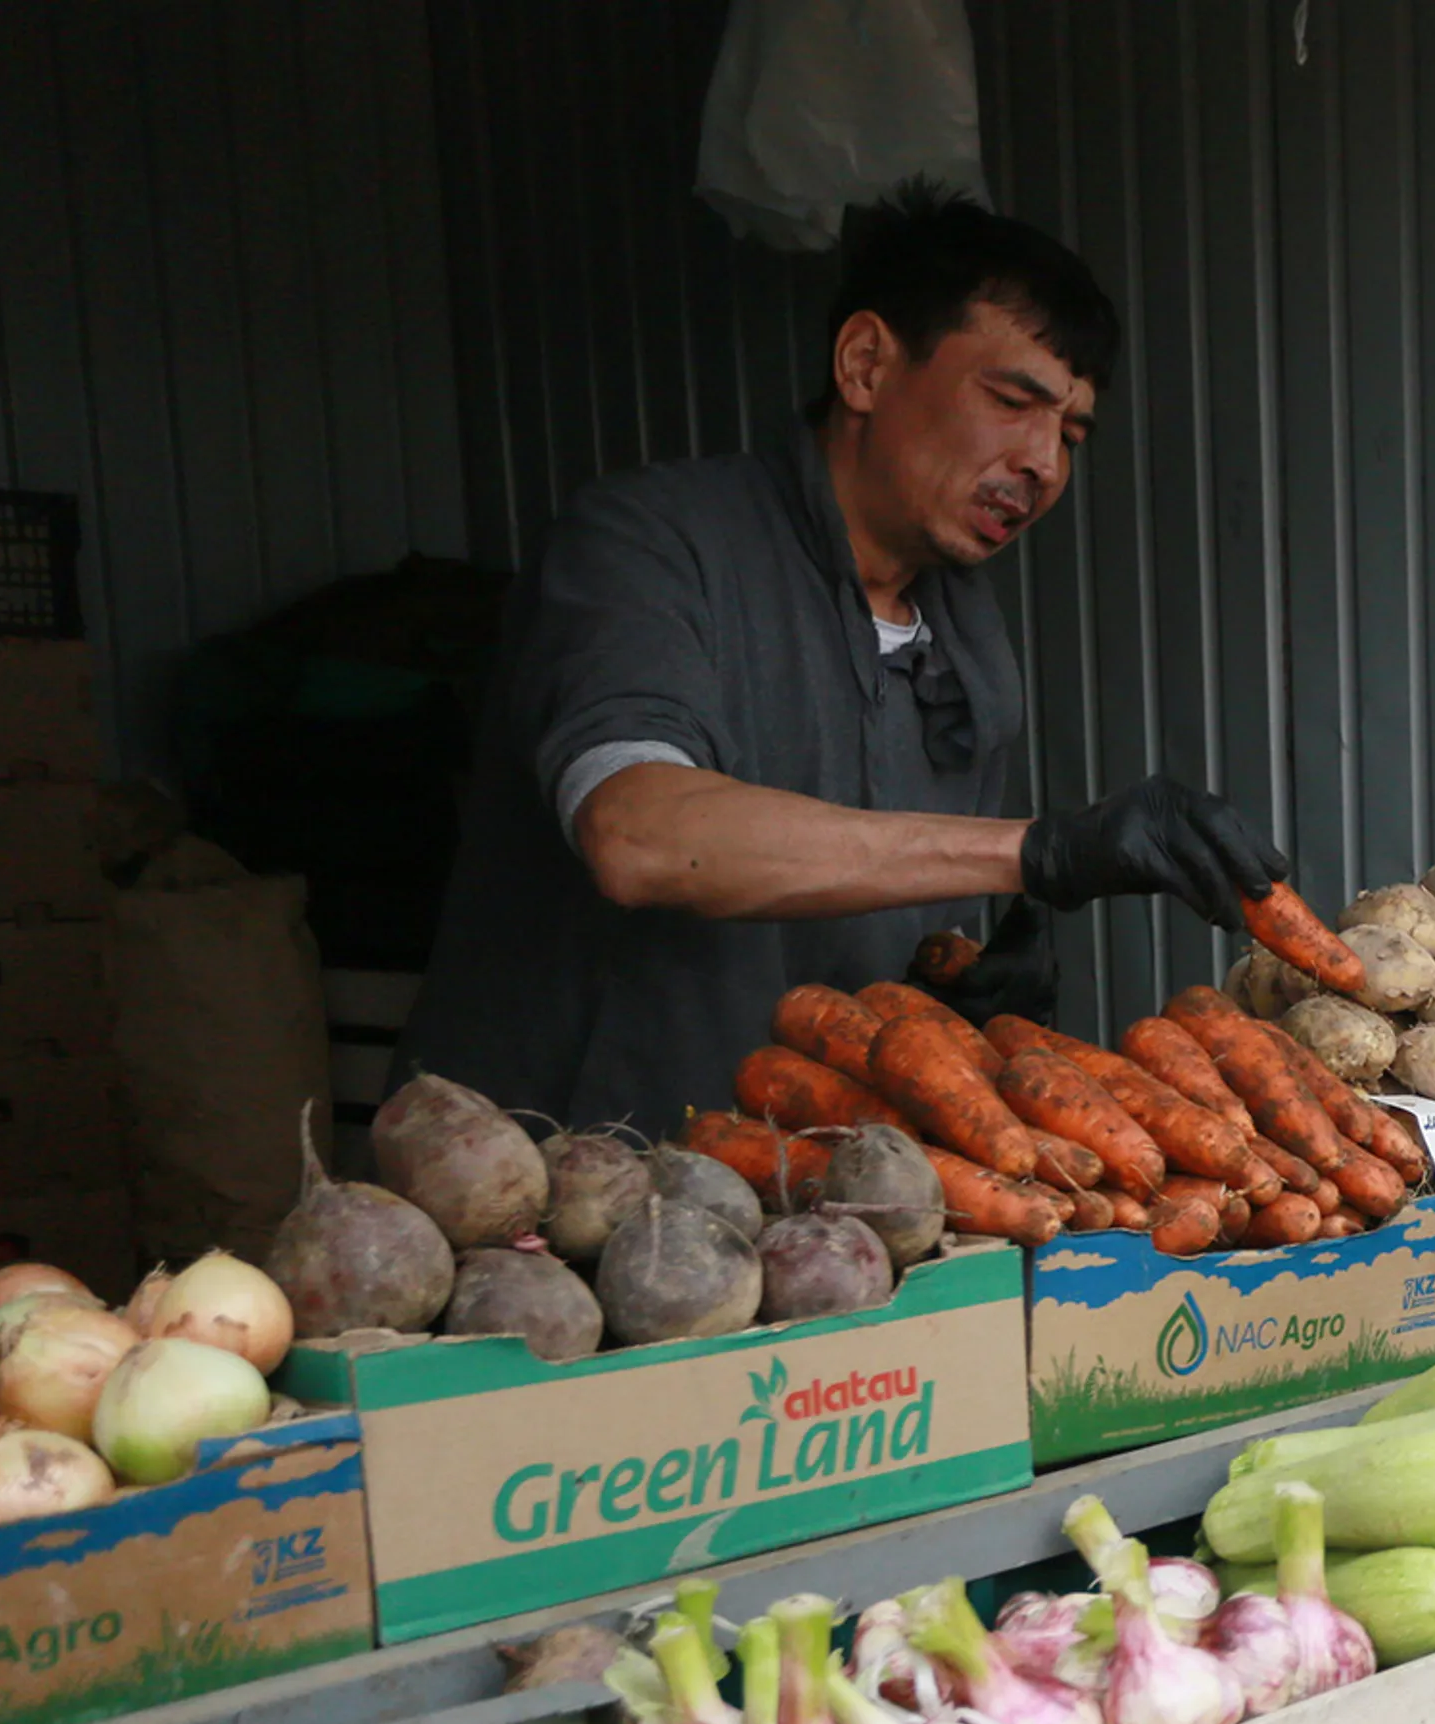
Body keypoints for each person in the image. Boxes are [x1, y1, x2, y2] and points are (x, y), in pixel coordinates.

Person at [399, 184, 1283, 1131]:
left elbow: (893, 902)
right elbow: (637, 837)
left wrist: (959, 985)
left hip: (816, 1177)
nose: (1043, 464)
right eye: (1010, 401)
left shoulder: (969, 641)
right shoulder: (644, 544)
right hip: (557, 1166)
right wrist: (1037, 852)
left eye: (1069, 435)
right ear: (865, 365)